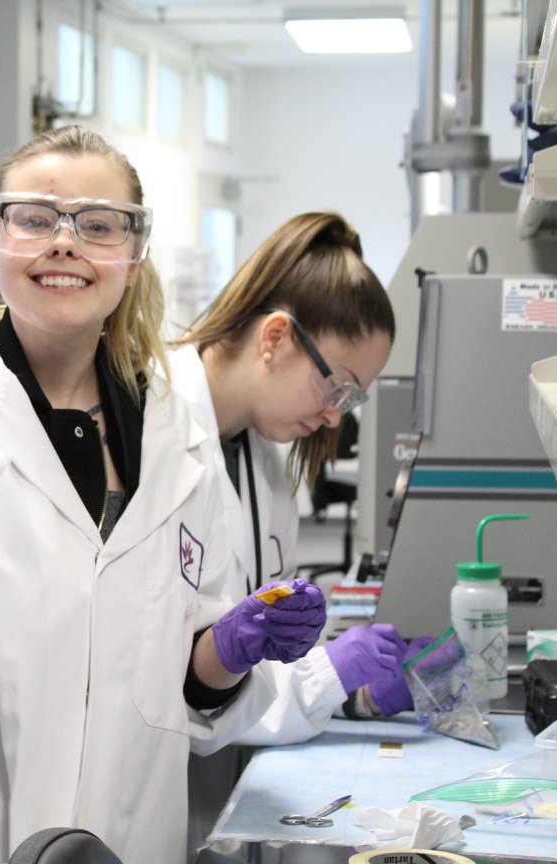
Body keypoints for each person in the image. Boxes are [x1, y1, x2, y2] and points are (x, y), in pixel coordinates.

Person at [0, 125, 328, 864]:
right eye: (33, 218)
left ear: (134, 252)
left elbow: (180, 677)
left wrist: (230, 647)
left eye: (98, 224)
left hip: (119, 831)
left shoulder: (173, 433)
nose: (64, 242)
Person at [168, 212, 430, 851]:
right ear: (276, 337)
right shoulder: (153, 429)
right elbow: (169, 686)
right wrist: (326, 681)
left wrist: (344, 691)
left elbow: (244, 676)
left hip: (213, 796)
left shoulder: (268, 458)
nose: (335, 413)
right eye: (335, 384)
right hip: (141, 792)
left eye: (351, 397)